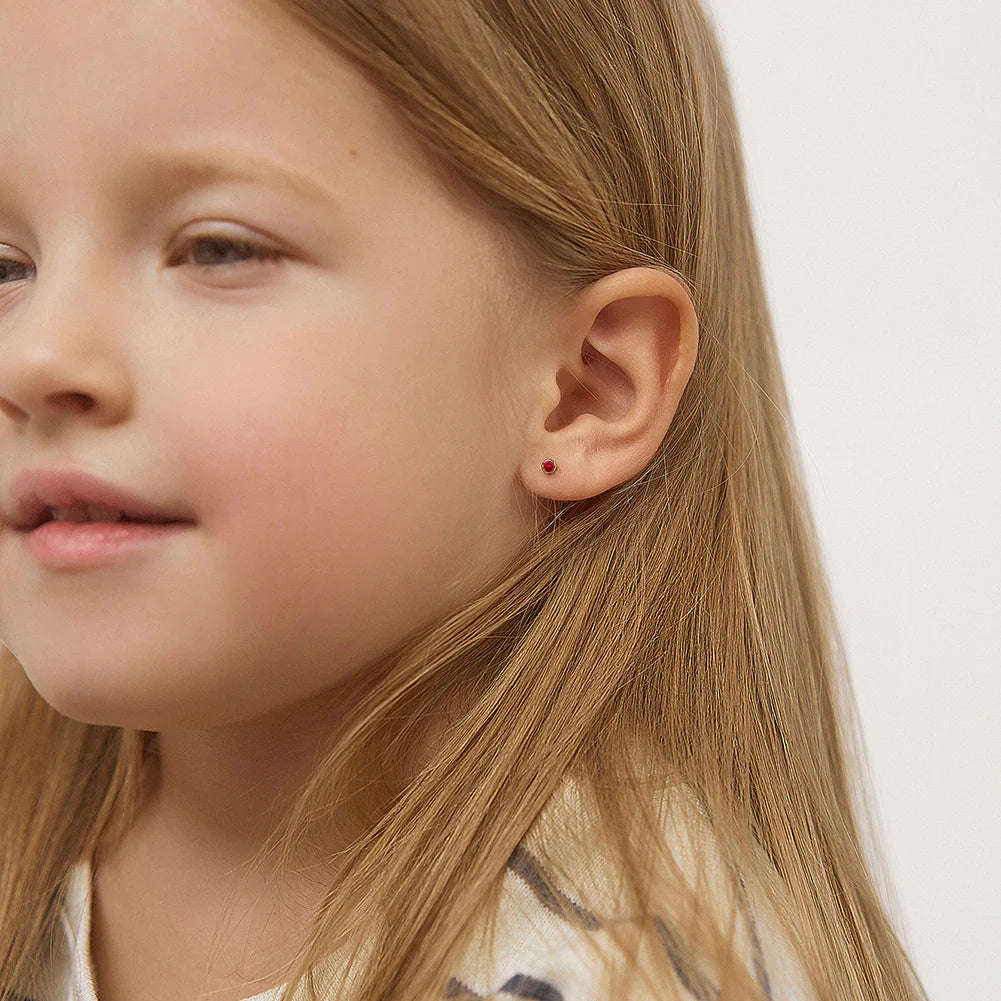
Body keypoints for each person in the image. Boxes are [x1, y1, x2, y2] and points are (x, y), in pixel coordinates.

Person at [0, 1, 929, 999]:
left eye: (218, 249)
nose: (35, 354)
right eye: (5, 265)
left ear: (582, 389)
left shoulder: (625, 970)